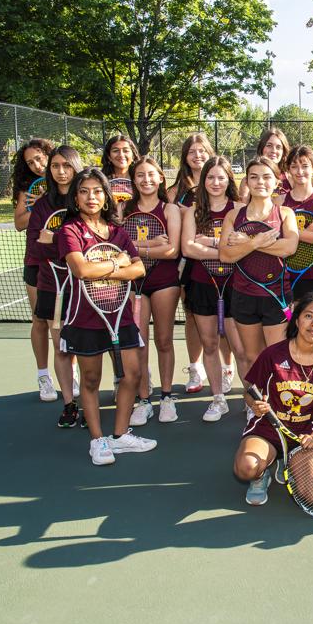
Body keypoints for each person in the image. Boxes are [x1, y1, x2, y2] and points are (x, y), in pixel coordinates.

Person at [58, 167, 154, 465]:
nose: (91, 197)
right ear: (76, 197)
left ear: (106, 196)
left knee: (132, 373)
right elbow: (82, 270)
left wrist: (118, 264)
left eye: (97, 191)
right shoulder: (69, 230)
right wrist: (117, 262)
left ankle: (121, 435)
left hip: (120, 314)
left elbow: (139, 269)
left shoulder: (117, 232)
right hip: (85, 317)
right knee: (90, 379)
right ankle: (98, 441)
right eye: (84, 191)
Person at [233, 293, 313, 506]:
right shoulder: (272, 354)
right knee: (246, 467)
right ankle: (261, 474)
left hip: (302, 437)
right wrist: (255, 406)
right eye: (309, 316)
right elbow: (249, 391)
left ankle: (290, 462)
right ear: (297, 320)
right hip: (267, 430)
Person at [180, 156, 248, 423]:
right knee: (209, 344)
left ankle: (251, 400)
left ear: (229, 180)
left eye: (221, 177)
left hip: (235, 286)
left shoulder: (240, 209)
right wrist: (224, 249)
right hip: (202, 285)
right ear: (203, 180)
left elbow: (243, 247)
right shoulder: (193, 211)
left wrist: (208, 244)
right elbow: (187, 247)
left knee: (240, 348)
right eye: (210, 177)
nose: (216, 182)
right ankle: (218, 399)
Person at [218, 157, 299, 368]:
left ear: (276, 181)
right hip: (244, 296)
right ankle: (258, 402)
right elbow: (226, 255)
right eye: (254, 177)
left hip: (278, 295)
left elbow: (289, 248)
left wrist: (247, 241)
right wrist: (257, 243)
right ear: (246, 181)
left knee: (280, 358)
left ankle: (276, 401)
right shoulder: (233, 216)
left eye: (266, 177)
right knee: (253, 358)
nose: (260, 182)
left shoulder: (285, 213)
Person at [27, 145, 80, 426]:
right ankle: (70, 404)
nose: (61, 171)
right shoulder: (42, 205)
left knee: (84, 347)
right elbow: (36, 248)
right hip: (51, 285)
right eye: (56, 166)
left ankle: (88, 399)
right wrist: (65, 246)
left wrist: (55, 241)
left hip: (83, 286)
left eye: (66, 166)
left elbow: (86, 244)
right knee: (61, 347)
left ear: (75, 167)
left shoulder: (84, 200)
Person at [126, 156, 181, 426]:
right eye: (140, 175)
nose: (146, 180)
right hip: (134, 283)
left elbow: (172, 251)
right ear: (133, 180)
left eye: (151, 175)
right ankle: (144, 399)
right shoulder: (123, 209)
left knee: (163, 340)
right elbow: (119, 247)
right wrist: (148, 244)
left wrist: (135, 247)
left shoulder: (170, 210)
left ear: (161, 178)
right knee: (140, 342)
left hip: (164, 281)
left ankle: (167, 397)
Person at [168, 134, 216, 395]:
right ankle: (195, 367)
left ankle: (226, 367)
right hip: (188, 262)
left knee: (223, 314)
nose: (198, 155)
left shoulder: (220, 183)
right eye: (192, 152)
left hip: (218, 262)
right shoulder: (175, 192)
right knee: (192, 315)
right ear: (185, 157)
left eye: (202, 150)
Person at [11, 138, 58, 401]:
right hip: (36, 260)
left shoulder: (68, 183)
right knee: (40, 319)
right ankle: (43, 376)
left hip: (65, 259)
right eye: (31, 162)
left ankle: (69, 373)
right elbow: (19, 223)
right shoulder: (28, 190)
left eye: (40, 158)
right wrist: (38, 202)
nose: (38, 165)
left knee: (62, 321)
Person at [279, 145, 313, 300]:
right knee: (290, 319)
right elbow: (278, 238)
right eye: (294, 166)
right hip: (287, 274)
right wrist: (309, 231)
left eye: (304, 166)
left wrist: (293, 234)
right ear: (288, 169)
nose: (299, 171)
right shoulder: (280, 201)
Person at [240, 128, 291, 200]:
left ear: (283, 152)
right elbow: (242, 208)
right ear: (262, 148)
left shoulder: (290, 179)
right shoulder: (247, 182)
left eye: (278, 147)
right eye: (269, 145)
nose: (273, 150)